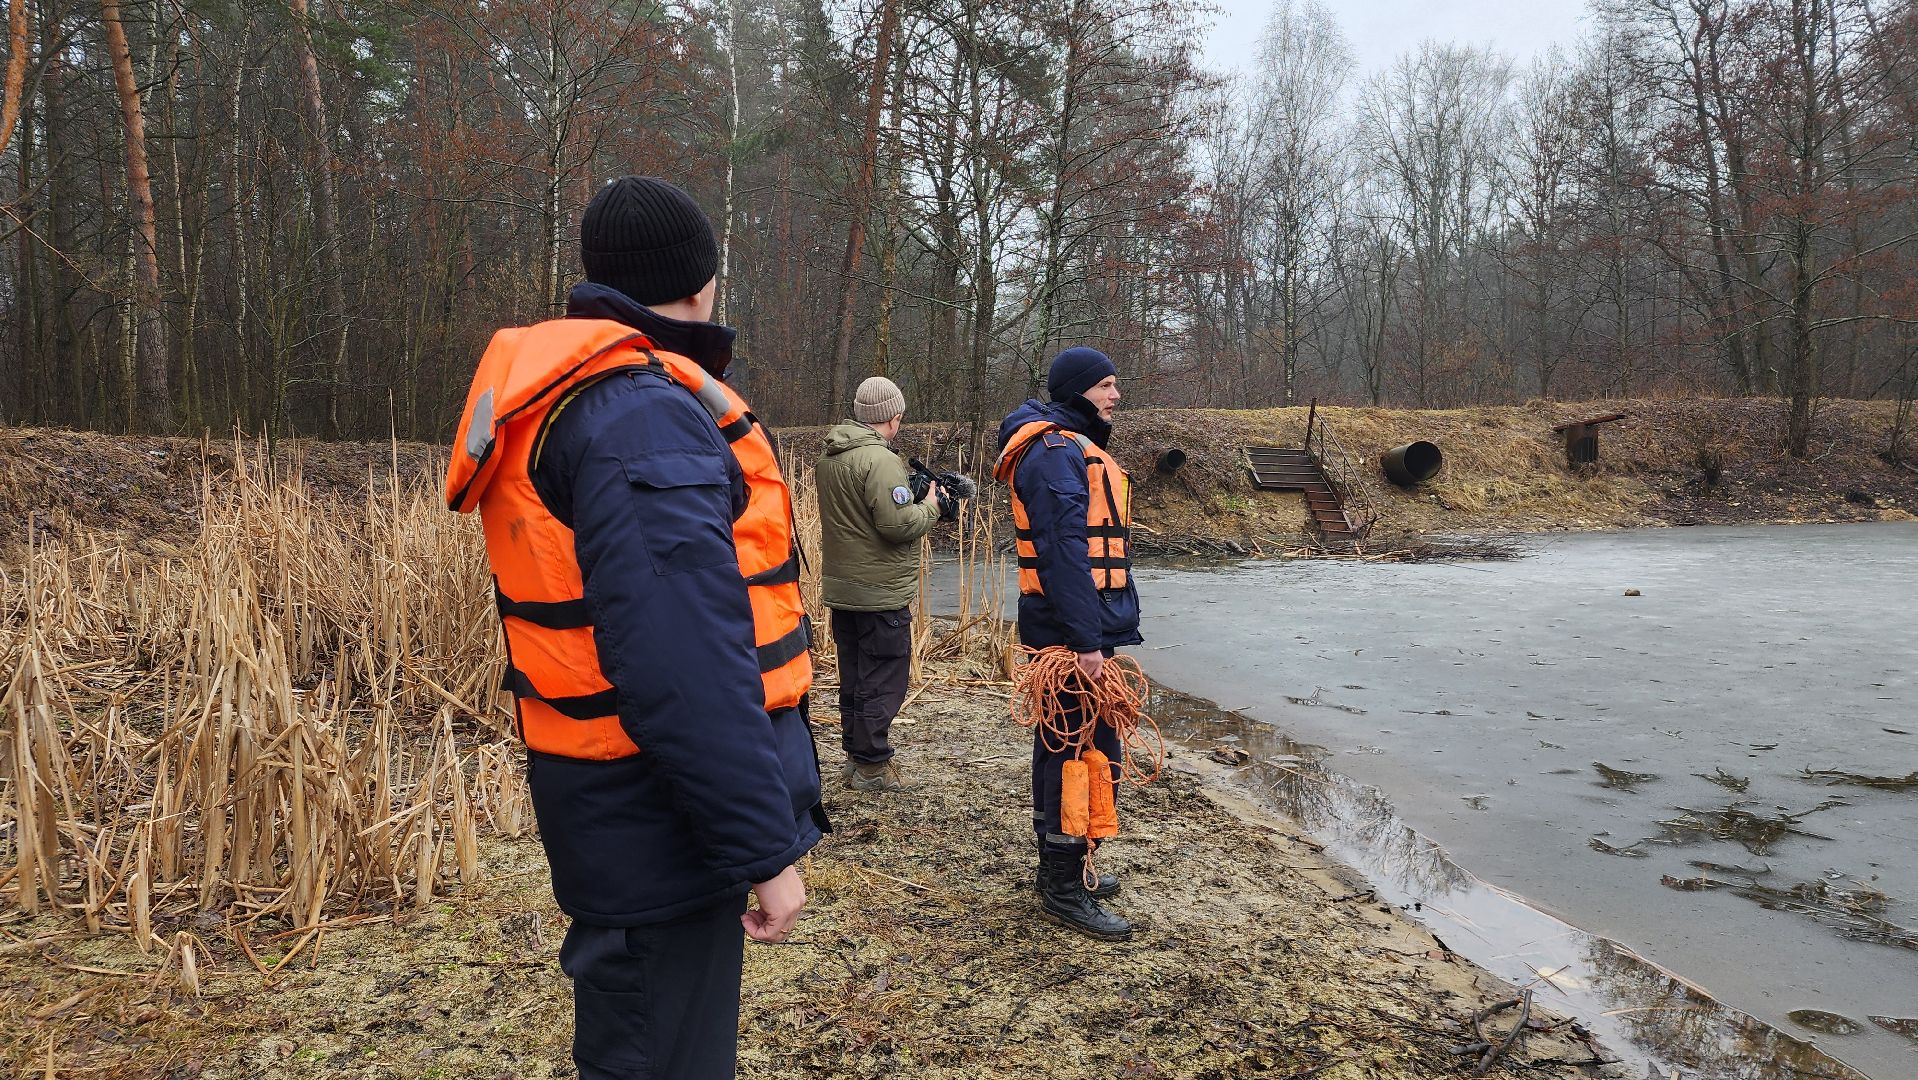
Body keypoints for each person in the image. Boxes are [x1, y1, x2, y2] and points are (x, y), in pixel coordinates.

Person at [445, 176, 827, 1079]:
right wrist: (764, 851)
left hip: (622, 807)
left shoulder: (582, 396)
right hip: (659, 820)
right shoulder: (641, 415)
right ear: (702, 283)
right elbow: (683, 661)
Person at [993, 347, 1140, 940]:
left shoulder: (1065, 446)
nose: (1115, 395)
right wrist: (1086, 641)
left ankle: (1066, 865)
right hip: (1069, 634)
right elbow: (1063, 554)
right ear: (1078, 390)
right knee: (1073, 753)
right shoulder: (1054, 453)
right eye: (1105, 385)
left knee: (1078, 746)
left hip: (1079, 627)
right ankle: (1061, 885)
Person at [816, 376, 943, 792]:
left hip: (844, 589)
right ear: (894, 416)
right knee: (882, 678)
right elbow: (897, 525)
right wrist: (931, 506)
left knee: (854, 676)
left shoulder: (830, 457)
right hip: (880, 592)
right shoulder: (881, 460)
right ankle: (872, 766)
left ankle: (856, 759)